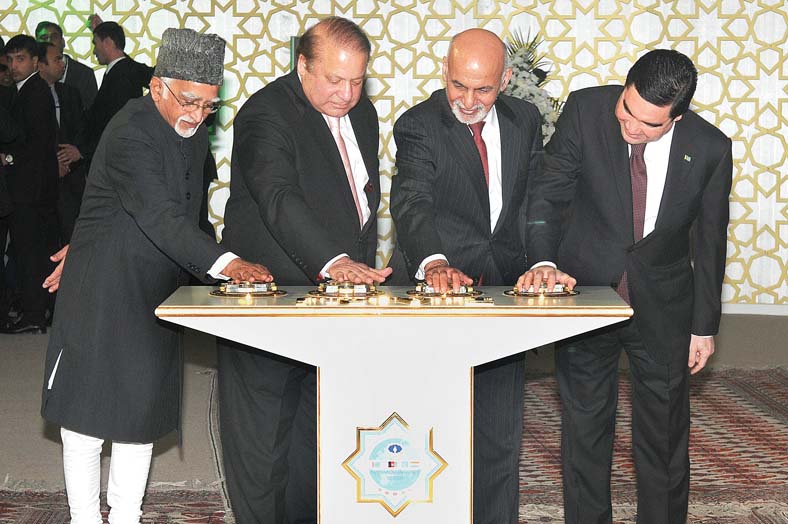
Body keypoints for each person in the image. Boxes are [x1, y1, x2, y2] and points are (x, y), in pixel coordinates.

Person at [39, 28, 271, 524]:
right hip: (102, 288)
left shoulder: (188, 129)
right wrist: (227, 265)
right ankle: (84, 518)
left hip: (153, 290)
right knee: (86, 421)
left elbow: (186, 217)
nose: (198, 115)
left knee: (139, 418)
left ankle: (126, 516)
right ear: (158, 86)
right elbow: (159, 214)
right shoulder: (131, 130)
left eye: (209, 107)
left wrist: (220, 261)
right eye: (190, 102)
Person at [522, 49, 732, 524]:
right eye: (627, 109)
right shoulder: (585, 109)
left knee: (664, 438)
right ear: (625, 87)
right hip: (588, 294)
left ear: (677, 117)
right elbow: (548, 190)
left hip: (665, 307)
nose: (633, 128)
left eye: (651, 125)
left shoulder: (711, 148)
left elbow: (710, 241)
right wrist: (543, 260)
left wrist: (704, 326)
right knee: (586, 430)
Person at [218, 16, 390, 524]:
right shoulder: (265, 114)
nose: (347, 93)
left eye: (357, 80)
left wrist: (355, 268)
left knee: (318, 435)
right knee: (263, 439)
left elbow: (360, 198)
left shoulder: (364, 113)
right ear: (301, 65)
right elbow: (278, 198)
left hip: (332, 298)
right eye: (334, 79)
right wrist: (333, 261)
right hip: (269, 294)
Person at [389, 28, 546, 523]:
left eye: (484, 89)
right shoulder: (419, 125)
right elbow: (411, 201)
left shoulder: (526, 119)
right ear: (445, 73)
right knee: (428, 428)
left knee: (500, 433)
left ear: (506, 79)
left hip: (502, 290)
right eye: (459, 86)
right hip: (438, 288)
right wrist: (432, 260)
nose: (469, 100)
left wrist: (541, 259)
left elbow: (534, 201)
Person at [0, 34, 60, 334]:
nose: (13, 65)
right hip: (32, 189)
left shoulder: (33, 92)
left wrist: (7, 158)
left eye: (20, 59)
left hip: (29, 191)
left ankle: (34, 315)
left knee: (29, 253)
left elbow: (33, 146)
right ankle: (37, 312)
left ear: (35, 62)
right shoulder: (29, 90)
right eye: (10, 60)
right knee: (31, 252)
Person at [37, 41, 87, 243]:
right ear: (40, 65)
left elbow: (83, 130)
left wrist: (78, 151)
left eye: (62, 58)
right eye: (57, 59)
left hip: (72, 181)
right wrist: (51, 164)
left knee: (74, 238)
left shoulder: (70, 93)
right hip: (41, 184)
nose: (63, 63)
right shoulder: (26, 95)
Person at [82, 21, 153, 163]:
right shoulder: (123, 70)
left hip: (117, 159)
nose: (94, 51)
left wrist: (83, 151)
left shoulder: (121, 76)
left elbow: (112, 122)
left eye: (95, 43)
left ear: (107, 42)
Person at [35, 21, 98, 112]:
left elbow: (92, 111)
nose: (49, 41)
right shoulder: (31, 71)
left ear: (63, 42)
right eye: (44, 38)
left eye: (54, 37)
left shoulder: (84, 74)